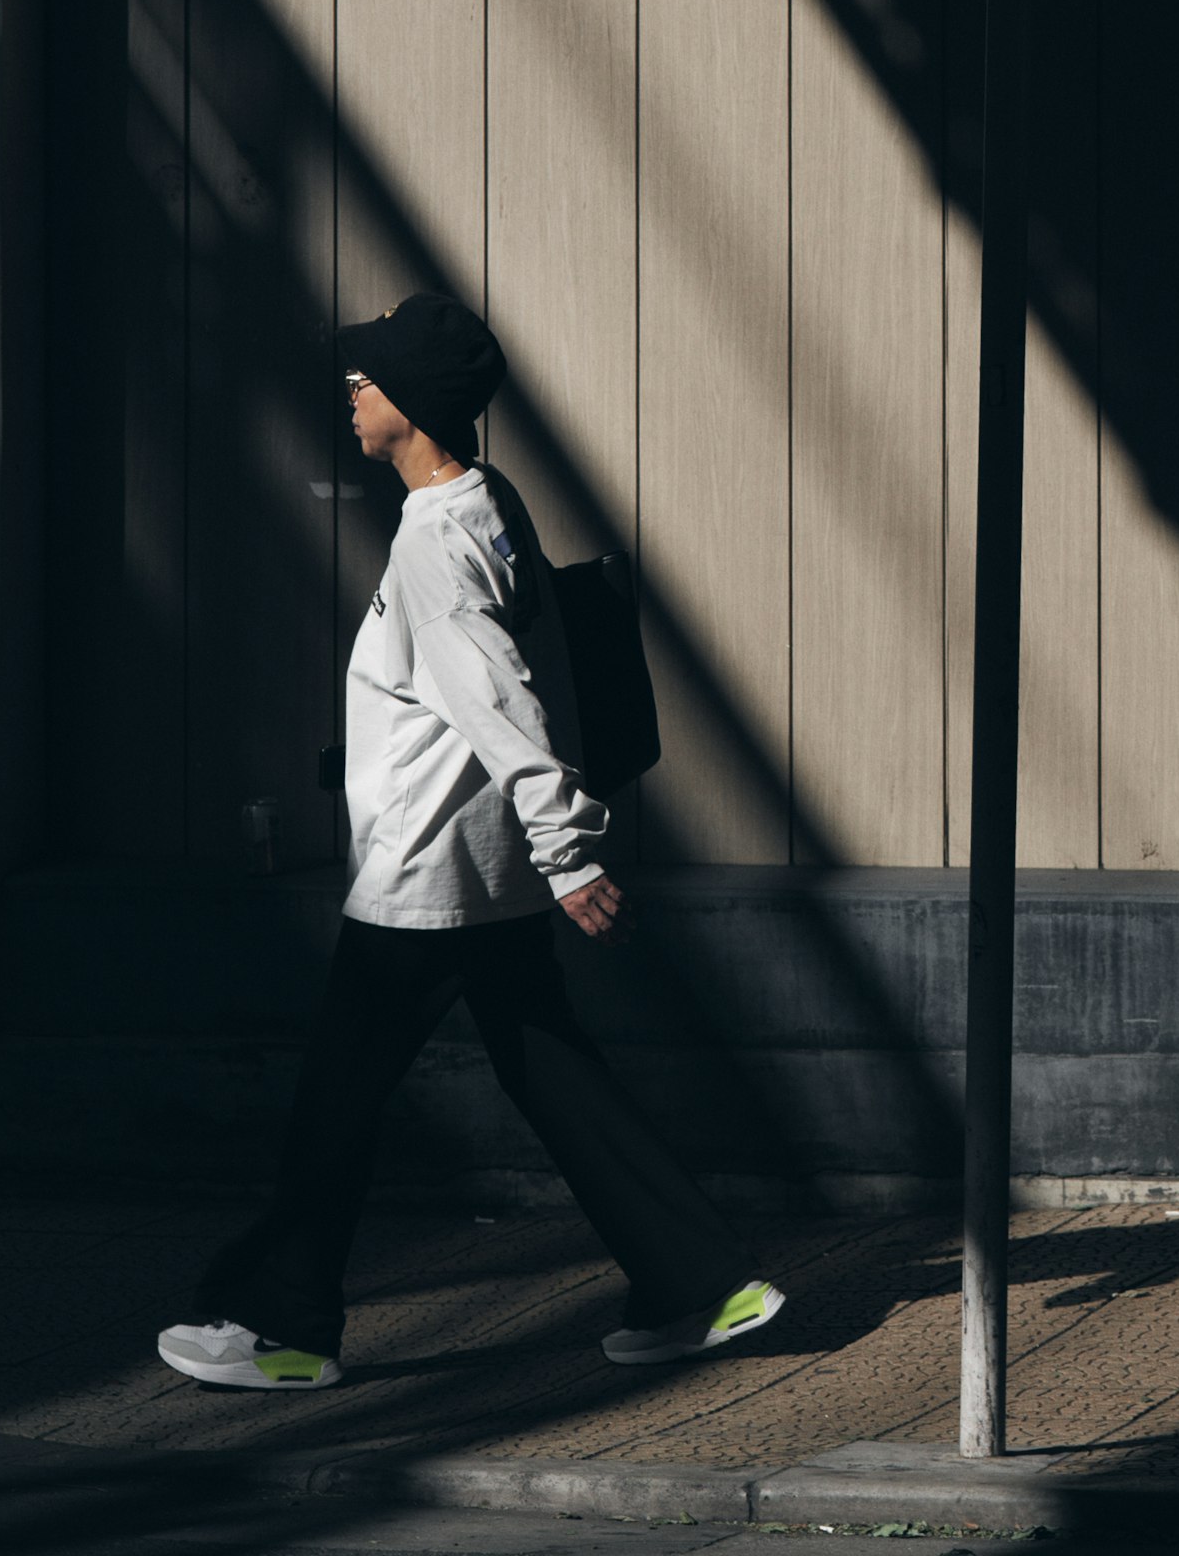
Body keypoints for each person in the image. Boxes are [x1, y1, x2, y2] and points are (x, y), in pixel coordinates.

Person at [155, 292, 784, 1389]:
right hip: (480, 868)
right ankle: (702, 1282)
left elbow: (500, 700)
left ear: (414, 405)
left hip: (431, 872)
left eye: (366, 382)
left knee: (337, 1102)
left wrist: (569, 849)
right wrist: (551, 852)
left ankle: (286, 1326)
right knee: (551, 1068)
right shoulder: (488, 503)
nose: (350, 395)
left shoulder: (436, 542)